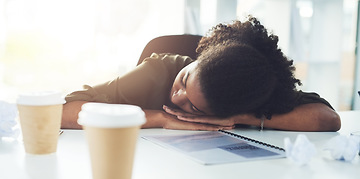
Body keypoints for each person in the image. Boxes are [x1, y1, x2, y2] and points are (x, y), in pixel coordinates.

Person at [61, 16, 341, 132]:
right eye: (185, 79)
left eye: (192, 106)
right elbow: (64, 110)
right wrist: (161, 118)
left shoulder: (248, 92)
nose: (177, 95)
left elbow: (328, 119)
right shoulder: (158, 71)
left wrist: (241, 117)